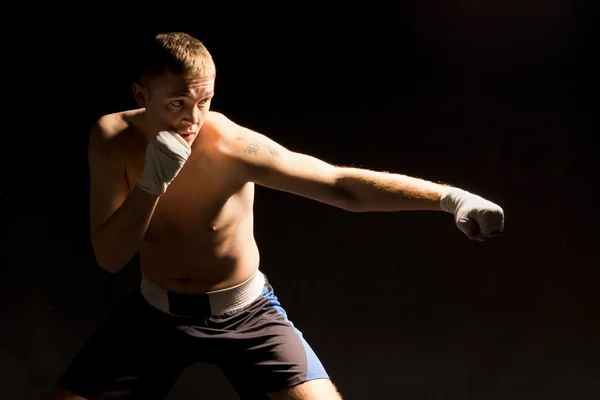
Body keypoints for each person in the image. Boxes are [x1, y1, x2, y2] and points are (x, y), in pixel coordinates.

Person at [49, 32, 504, 400]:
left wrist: (452, 198)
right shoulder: (111, 139)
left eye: (204, 102)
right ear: (140, 94)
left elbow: (338, 184)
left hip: (244, 314)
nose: (193, 120)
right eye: (177, 104)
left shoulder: (228, 146)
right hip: (153, 315)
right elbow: (110, 258)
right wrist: (152, 184)